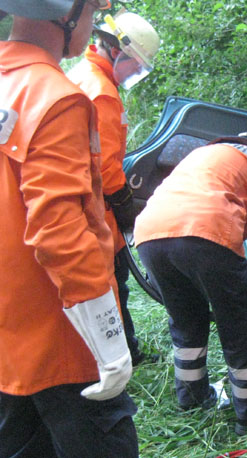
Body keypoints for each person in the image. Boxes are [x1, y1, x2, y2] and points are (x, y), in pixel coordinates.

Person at [0, 1, 138, 457]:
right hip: (64, 341)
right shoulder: (56, 96)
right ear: (65, 14)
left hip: (9, 339)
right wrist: (109, 344)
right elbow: (60, 232)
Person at [134, 131, 247, 435]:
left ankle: (191, 399)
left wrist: (243, 269)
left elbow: (197, 225)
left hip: (149, 235)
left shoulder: (203, 156)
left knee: (186, 320)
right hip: (204, 232)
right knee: (238, 326)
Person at [68, 10, 161, 366]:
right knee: (112, 284)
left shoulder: (84, 76)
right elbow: (106, 167)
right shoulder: (102, 93)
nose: (135, 74)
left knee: (113, 282)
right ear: (117, 52)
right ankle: (120, 356)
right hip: (97, 206)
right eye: (135, 66)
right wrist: (124, 201)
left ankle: (125, 350)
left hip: (88, 201)